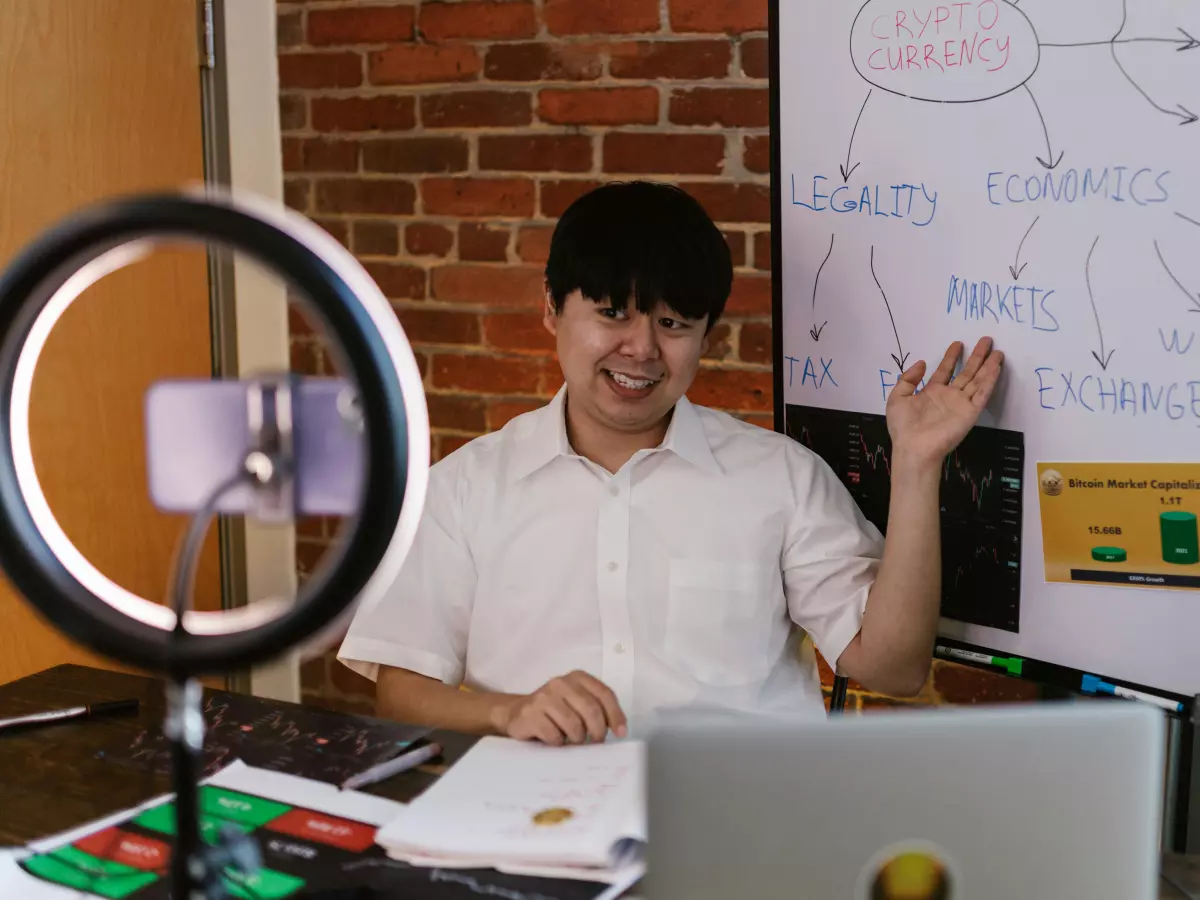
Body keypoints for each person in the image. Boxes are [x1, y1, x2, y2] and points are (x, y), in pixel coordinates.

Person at [337, 181, 1003, 744]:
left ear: (706, 336)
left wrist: (916, 465)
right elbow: (401, 691)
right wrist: (506, 712)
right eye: (611, 313)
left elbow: (893, 669)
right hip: (536, 833)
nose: (641, 350)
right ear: (550, 309)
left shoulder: (781, 477)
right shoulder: (464, 487)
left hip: (736, 842)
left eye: (674, 324)